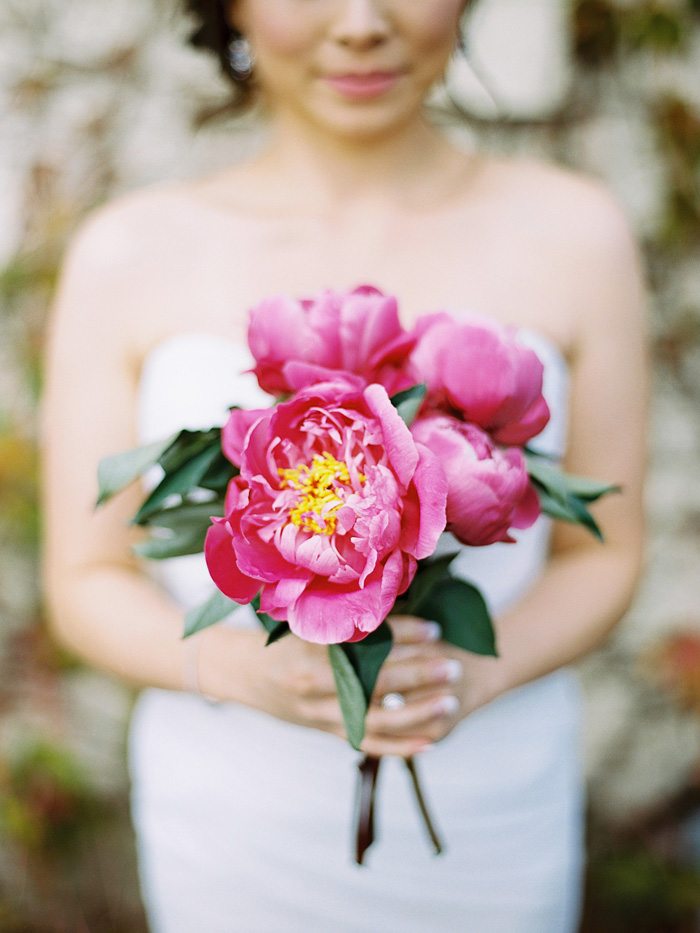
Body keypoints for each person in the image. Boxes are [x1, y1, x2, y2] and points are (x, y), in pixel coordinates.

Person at [40, 1, 648, 930]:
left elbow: (604, 554)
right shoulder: (128, 249)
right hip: (235, 812)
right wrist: (249, 674)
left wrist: (463, 679)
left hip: (494, 791)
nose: (362, 23)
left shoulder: (577, 231)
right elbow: (84, 579)